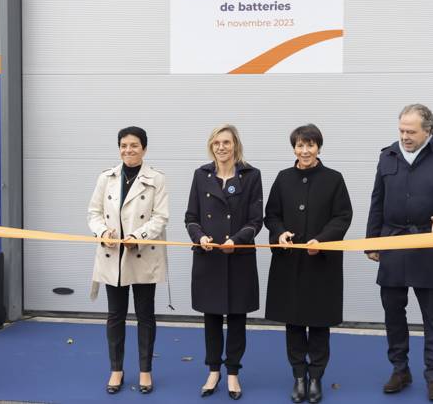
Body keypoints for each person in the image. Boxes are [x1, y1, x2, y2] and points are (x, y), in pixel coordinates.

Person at [365, 104, 433, 402]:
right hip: (393, 242)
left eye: (411, 131)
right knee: (393, 312)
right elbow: (377, 202)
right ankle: (400, 369)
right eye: (401, 130)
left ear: (428, 130)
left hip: (430, 245)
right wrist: (373, 242)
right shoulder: (388, 156)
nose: (404, 136)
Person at [265, 124, 353, 404]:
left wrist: (322, 240)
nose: (305, 151)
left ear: (318, 148)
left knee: (318, 323)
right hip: (290, 263)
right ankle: (298, 376)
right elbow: (271, 214)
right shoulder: (283, 178)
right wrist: (279, 233)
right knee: (293, 322)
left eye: (310, 145)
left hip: (321, 264)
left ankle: (316, 377)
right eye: (300, 145)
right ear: (294, 148)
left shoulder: (334, 179)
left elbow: (342, 216)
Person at [87, 126, 169, 395]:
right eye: (123, 145)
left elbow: (161, 217)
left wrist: (139, 235)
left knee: (145, 315)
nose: (128, 150)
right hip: (112, 255)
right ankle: (116, 369)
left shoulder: (157, 179)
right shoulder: (106, 178)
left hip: (142, 254)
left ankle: (145, 370)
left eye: (134, 145)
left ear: (144, 149)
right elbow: (94, 213)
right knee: (115, 315)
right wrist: (102, 232)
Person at [185, 124, 263, 401]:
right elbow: (191, 216)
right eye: (216, 142)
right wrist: (200, 237)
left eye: (226, 142)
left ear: (235, 145)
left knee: (238, 318)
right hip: (209, 258)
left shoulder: (251, 175)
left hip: (238, 256)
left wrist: (237, 240)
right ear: (211, 145)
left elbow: (256, 220)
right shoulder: (201, 175)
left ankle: (232, 373)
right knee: (212, 318)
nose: (221, 147)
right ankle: (213, 370)